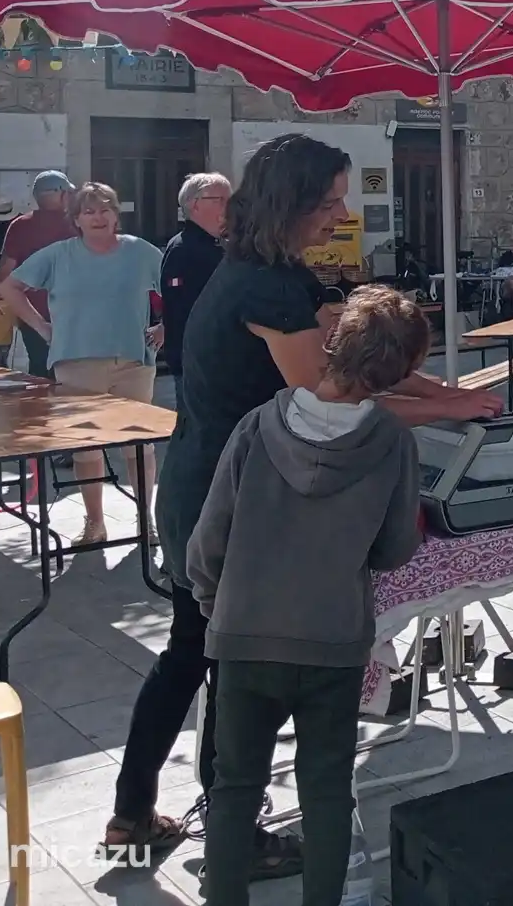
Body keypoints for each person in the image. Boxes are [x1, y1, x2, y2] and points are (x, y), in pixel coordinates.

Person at [103, 133, 501, 873]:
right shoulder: (266, 286)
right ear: (290, 204)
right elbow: (329, 392)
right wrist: (451, 410)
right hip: (221, 498)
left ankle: (138, 815)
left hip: (209, 481)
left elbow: (352, 355)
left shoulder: (272, 270)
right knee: (220, 657)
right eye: (328, 201)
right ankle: (233, 834)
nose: (339, 213)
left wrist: (451, 394)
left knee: (196, 654)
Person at [188, 285, 428, 906]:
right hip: (331, 639)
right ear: (400, 370)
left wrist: (218, 606)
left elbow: (209, 538)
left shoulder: (256, 427)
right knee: (326, 789)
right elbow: (395, 547)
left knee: (235, 784)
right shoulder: (393, 443)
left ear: (333, 344)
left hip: (245, 635)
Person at [0, 181, 163, 547]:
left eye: (105, 208)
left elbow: (179, 288)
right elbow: (9, 288)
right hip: (75, 364)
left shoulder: (141, 252)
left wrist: (167, 326)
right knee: (86, 447)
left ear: (116, 215)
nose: (98, 216)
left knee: (139, 445)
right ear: (76, 219)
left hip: (132, 362)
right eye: (89, 211)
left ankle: (145, 521)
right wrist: (41, 326)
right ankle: (94, 523)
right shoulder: (58, 255)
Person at [0, 171, 79, 376]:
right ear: (61, 194)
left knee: (39, 367)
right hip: (73, 314)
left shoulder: (20, 225)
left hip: (31, 315)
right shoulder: (78, 224)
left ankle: (39, 407)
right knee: (74, 373)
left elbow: (4, 268)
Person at [162, 173, 232, 378]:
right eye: (221, 200)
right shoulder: (182, 248)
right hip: (198, 363)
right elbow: (181, 310)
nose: (229, 206)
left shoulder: (224, 245)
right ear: (194, 205)